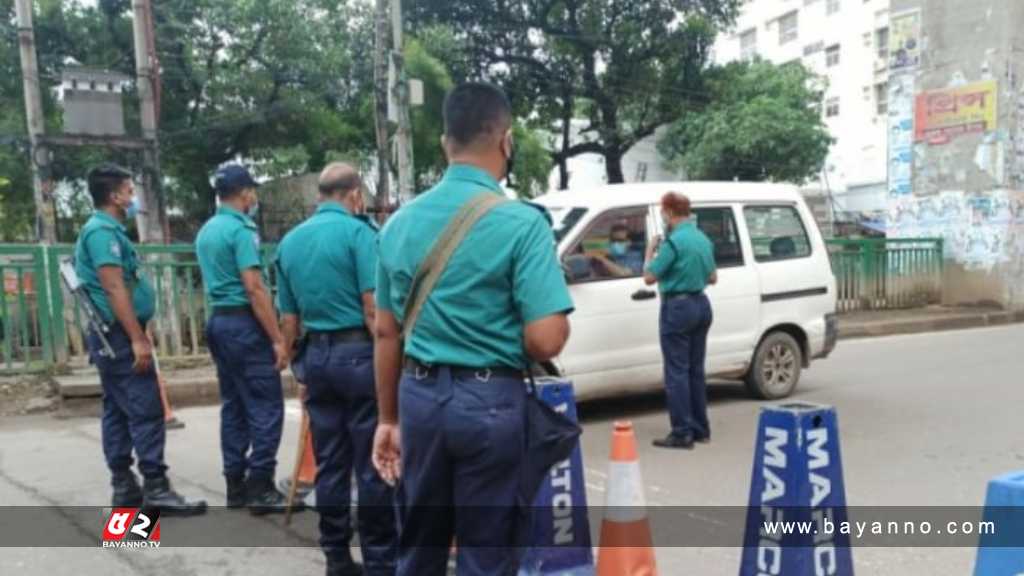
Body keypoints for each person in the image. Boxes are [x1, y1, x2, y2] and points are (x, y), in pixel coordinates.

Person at [371, 82, 574, 576]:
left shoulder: (398, 224)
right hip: (490, 406)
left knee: (419, 544)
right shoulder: (522, 223)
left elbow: (385, 332)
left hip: (418, 400)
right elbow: (545, 339)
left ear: (446, 145)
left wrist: (388, 419)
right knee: (487, 550)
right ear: (506, 141)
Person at [276, 163, 397, 576]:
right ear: (354, 195)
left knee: (331, 464)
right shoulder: (360, 235)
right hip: (360, 357)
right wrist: (393, 363)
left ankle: (337, 559)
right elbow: (371, 307)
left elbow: (289, 324)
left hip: (318, 359)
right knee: (374, 463)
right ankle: (381, 561)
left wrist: (300, 370)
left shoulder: (289, 243)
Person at [74, 163, 206, 515]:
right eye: (130, 191)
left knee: (118, 411)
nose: (133, 198)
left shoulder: (107, 230)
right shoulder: (101, 232)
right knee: (144, 410)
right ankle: (154, 489)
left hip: (115, 336)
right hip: (117, 337)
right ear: (115, 195)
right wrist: (136, 338)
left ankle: (126, 491)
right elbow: (114, 286)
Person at [196, 164, 292, 514]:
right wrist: (278, 338)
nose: (255, 196)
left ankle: (235, 483)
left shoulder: (207, 230)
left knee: (234, 405)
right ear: (243, 192)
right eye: (252, 189)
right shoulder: (241, 230)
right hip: (244, 326)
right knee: (266, 406)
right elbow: (253, 287)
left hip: (219, 323)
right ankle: (261, 486)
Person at [643, 192, 717, 449]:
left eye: (663, 212)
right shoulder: (702, 239)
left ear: (669, 212)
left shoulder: (673, 243)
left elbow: (649, 277)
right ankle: (700, 428)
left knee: (676, 372)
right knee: (696, 370)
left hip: (677, 307)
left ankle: (681, 432)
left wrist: (650, 250)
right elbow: (713, 277)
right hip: (701, 304)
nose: (663, 216)